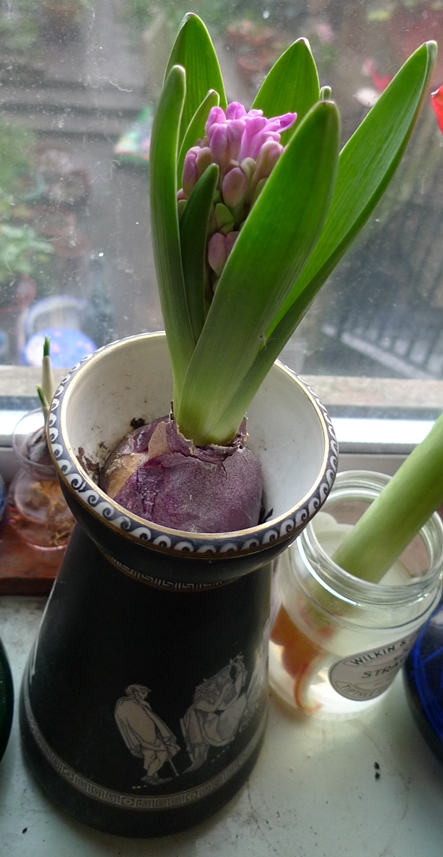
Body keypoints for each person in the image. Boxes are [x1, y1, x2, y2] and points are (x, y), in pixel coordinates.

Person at [115, 684, 180, 784]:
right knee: (158, 755)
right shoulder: (125, 704)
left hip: (152, 736)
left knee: (154, 755)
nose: (145, 696)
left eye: (145, 693)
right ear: (134, 692)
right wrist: (138, 738)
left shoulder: (143, 704)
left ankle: (153, 777)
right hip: (142, 738)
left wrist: (159, 731)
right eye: (143, 693)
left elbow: (152, 719)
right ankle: (150, 776)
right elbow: (128, 723)